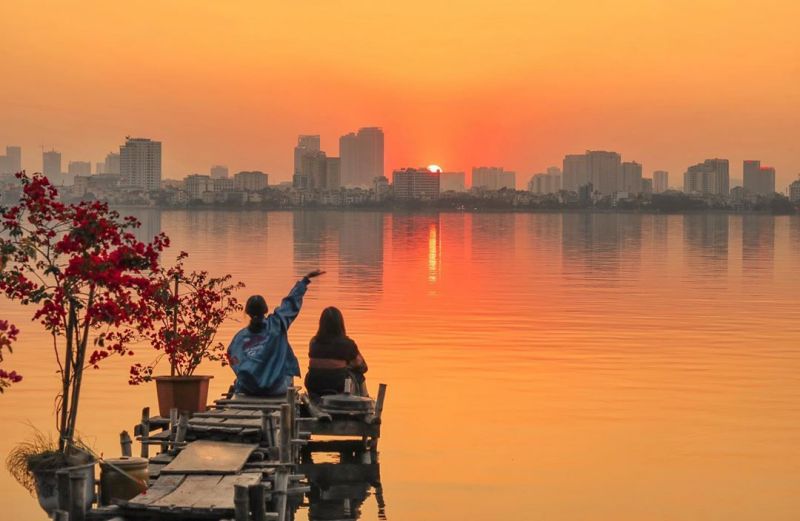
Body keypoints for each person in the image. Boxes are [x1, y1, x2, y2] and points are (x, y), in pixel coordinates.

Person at [227, 270, 325, 396]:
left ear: (247, 313)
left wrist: (247, 376)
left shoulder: (239, 338)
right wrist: (305, 280)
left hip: (249, 389)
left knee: (239, 379)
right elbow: (290, 303)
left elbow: (232, 357)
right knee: (286, 370)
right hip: (277, 388)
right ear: (266, 310)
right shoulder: (277, 324)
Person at [305, 306, 368, 397]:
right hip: (339, 387)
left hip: (314, 386)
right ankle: (365, 402)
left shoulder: (314, 342)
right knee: (359, 375)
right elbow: (363, 367)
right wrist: (347, 365)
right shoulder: (348, 344)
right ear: (341, 324)